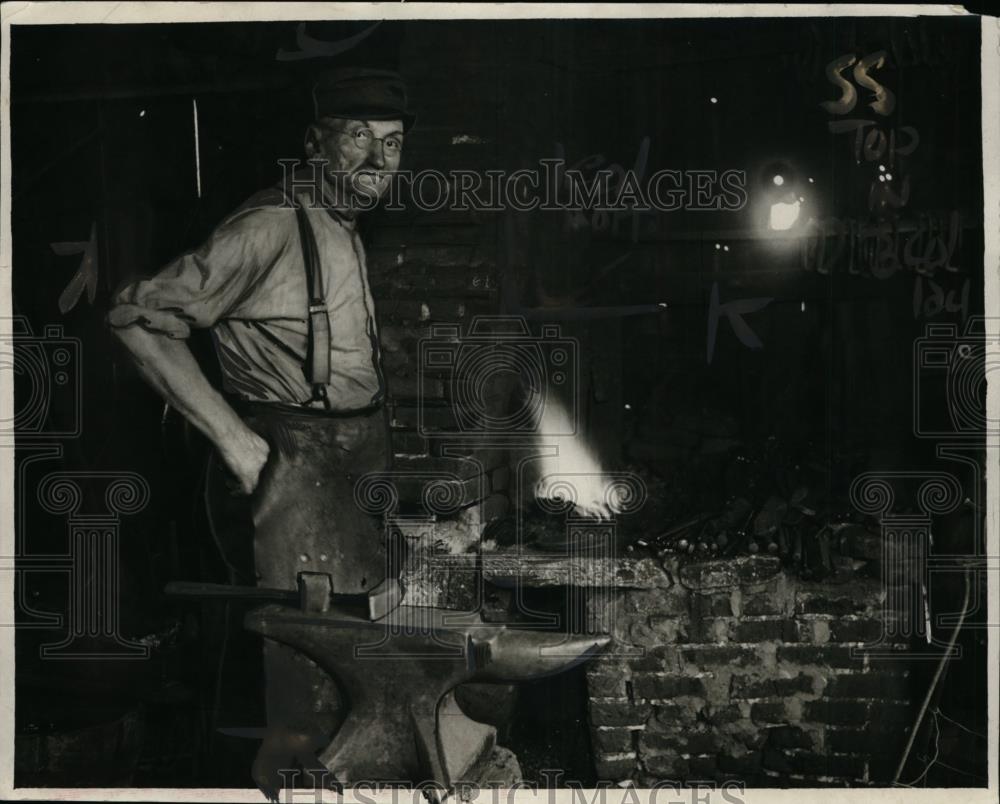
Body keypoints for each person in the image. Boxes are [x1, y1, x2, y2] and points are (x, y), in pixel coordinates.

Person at [108, 67, 415, 788]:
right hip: (291, 471)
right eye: (359, 139)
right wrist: (239, 444)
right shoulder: (269, 225)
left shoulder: (338, 224)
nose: (378, 162)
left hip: (351, 466)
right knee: (298, 677)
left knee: (351, 663)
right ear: (315, 144)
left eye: (394, 144)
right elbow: (134, 319)